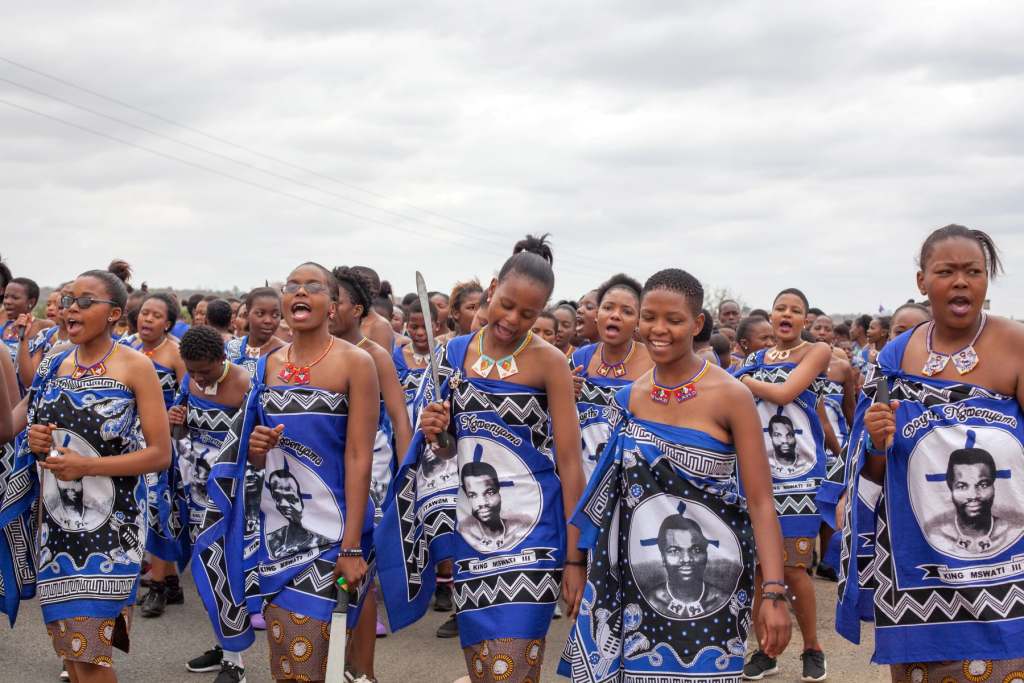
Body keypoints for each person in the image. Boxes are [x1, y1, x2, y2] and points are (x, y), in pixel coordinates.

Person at [560, 268, 790, 681]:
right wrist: (576, 561)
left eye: (674, 319)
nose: (658, 329)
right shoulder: (627, 399)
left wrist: (773, 591)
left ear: (697, 324)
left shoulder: (731, 396)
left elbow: (759, 501)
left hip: (715, 584)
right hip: (635, 582)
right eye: (649, 317)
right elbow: (610, 499)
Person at [376, 234, 586, 683]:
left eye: (528, 314)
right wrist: (436, 432)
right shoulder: (451, 354)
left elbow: (570, 462)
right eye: (506, 305)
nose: (511, 320)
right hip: (475, 534)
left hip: (536, 532)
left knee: (512, 668)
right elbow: (449, 452)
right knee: (484, 666)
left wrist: (575, 557)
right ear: (492, 290)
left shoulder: (550, 363)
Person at [838, 225, 1024, 682]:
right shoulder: (896, 356)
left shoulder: (1015, 344)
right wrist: (877, 441)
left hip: (1005, 570)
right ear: (923, 282)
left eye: (973, 271)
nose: (961, 281)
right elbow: (876, 469)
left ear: (986, 280)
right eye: (946, 271)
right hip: (919, 574)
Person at [192, 262, 379, 683]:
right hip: (278, 537)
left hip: (335, 533)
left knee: (312, 658)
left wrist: (351, 548)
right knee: (287, 665)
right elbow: (255, 459)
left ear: (332, 306)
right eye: (292, 285)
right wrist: (257, 450)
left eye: (312, 287)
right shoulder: (269, 364)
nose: (299, 292)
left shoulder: (356, 363)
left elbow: (358, 456)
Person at [16, 268, 171, 683]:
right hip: (56, 527)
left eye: (85, 301)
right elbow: (22, 431)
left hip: (112, 530)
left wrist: (88, 466)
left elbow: (160, 454)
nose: (71, 309)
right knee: (72, 654)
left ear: (114, 313)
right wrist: (34, 440)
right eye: (68, 300)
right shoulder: (52, 365)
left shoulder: (136, 366)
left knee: (90, 656)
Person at [735, 288, 832, 682]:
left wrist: (743, 380)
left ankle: (812, 647)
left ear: (805, 320)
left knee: (793, 570)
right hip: (759, 478)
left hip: (801, 478)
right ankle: (767, 651)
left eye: (796, 310)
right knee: (761, 571)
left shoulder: (816, 352)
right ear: (771, 317)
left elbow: (786, 392)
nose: (787, 314)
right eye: (780, 308)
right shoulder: (754, 359)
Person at [331, 265, 414, 645]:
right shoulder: (314, 353)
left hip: (373, 465)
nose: (328, 307)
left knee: (359, 561)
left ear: (358, 310)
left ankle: (362, 669)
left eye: (337, 300)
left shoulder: (375, 355)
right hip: (326, 467)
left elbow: (400, 419)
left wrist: (409, 480)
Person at [170, 325, 252, 683]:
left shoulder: (246, 383)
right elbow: (182, 434)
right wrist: (178, 424)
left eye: (205, 369)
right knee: (205, 575)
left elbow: (255, 440)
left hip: (233, 494)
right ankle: (224, 645)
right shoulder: (189, 382)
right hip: (196, 489)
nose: (199, 377)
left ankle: (235, 659)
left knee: (225, 573)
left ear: (223, 358)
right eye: (192, 370)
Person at [122, 291, 189, 617]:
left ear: (169, 324)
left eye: (156, 315)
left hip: (161, 443)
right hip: (128, 442)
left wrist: (180, 413)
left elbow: (191, 397)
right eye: (144, 313)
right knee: (138, 510)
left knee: (157, 511)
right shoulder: (128, 347)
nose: (147, 319)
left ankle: (159, 587)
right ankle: (172, 582)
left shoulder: (176, 354)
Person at [570, 274, 653, 483]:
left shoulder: (654, 363)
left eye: (626, 311)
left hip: (635, 478)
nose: (615, 315)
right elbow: (558, 421)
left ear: (638, 321)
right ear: (597, 315)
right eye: (608, 308)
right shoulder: (580, 359)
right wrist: (565, 394)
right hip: (585, 475)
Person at [3, 276, 51, 395]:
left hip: (25, 401)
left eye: (15, 297)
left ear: (31, 302)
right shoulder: (3, 328)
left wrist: (22, 334)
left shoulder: (44, 327)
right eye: (6, 296)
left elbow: (31, 381)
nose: (7, 301)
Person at [224, 287, 285, 377]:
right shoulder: (229, 349)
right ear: (247, 314)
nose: (268, 320)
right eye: (260, 314)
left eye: (275, 315)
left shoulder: (286, 354)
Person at [352, 265, 398, 351]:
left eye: (354, 288)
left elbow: (383, 363)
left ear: (374, 293)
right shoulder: (351, 322)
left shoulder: (379, 326)